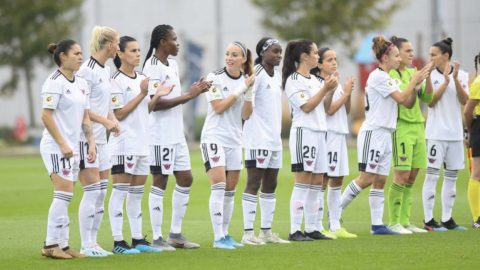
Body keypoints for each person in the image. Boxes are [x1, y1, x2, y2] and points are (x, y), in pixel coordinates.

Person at [341, 35, 429, 235]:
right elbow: (400, 97)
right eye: (396, 55)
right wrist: (413, 81)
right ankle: (334, 214)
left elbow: (406, 102)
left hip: (387, 134)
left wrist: (415, 87)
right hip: (374, 133)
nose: (399, 59)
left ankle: (377, 225)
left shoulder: (389, 78)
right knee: (365, 179)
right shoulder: (378, 76)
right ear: (385, 57)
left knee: (380, 180)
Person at [143, 24, 210, 250]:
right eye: (174, 39)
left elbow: (175, 96)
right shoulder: (151, 66)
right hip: (159, 134)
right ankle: (156, 237)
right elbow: (156, 103)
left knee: (186, 179)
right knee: (160, 181)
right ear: (163, 42)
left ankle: (175, 234)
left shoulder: (171, 63)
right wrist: (189, 96)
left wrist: (194, 91)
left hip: (176, 133)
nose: (177, 43)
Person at [108, 36, 174, 254]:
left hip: (142, 144)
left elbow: (144, 110)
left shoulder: (143, 77)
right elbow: (120, 113)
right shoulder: (115, 80)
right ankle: (118, 242)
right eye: (133, 50)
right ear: (120, 54)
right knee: (119, 192)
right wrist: (142, 94)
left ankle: (137, 240)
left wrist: (156, 97)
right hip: (124, 144)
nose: (138, 54)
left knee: (136, 194)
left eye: (139, 50)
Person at [40, 39, 95, 258]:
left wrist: (90, 143)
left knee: (67, 195)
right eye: (76, 53)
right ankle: (50, 244)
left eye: (81, 53)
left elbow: (85, 116)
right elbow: (46, 115)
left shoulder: (81, 83)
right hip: (56, 147)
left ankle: (63, 245)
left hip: (73, 148)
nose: (81, 57)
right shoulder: (54, 82)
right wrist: (62, 143)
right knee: (62, 194)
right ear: (63, 56)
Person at [201, 41, 255, 249]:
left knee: (231, 190)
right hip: (214, 137)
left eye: (234, 55)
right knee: (219, 186)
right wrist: (242, 88)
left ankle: (225, 234)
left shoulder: (245, 80)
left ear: (243, 59)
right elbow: (219, 108)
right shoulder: (214, 77)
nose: (229, 58)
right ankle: (217, 238)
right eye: (227, 54)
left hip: (234, 140)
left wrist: (249, 92)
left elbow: (246, 115)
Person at [282, 39, 337, 241]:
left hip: (319, 133)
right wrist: (325, 89)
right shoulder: (294, 80)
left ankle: (312, 228)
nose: (317, 56)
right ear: (305, 56)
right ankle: (295, 230)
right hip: (304, 134)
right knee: (302, 182)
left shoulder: (315, 80)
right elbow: (306, 107)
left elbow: (323, 107)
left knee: (317, 182)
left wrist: (329, 90)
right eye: (315, 53)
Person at [76, 26, 121, 256]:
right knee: (92, 191)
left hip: (101, 140)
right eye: (117, 42)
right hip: (86, 138)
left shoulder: (106, 69)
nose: (119, 47)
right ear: (109, 45)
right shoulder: (87, 71)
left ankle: (94, 242)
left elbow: (106, 105)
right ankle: (85, 245)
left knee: (102, 192)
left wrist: (112, 120)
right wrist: (104, 121)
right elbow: (82, 109)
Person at [241, 37, 290, 245]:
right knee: (254, 183)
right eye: (275, 51)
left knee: (272, 184)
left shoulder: (277, 76)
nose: (279, 54)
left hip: (274, 139)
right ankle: (247, 233)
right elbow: (246, 107)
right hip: (257, 139)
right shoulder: (256, 74)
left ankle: (266, 233)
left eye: (280, 51)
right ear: (262, 53)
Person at [386, 36, 434, 234]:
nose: (411, 54)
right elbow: (405, 101)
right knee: (401, 176)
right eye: (407, 51)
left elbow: (428, 98)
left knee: (413, 176)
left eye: (412, 51)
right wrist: (414, 83)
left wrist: (427, 76)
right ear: (396, 54)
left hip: (418, 127)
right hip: (402, 128)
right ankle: (393, 222)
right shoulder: (392, 75)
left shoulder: (414, 72)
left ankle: (405, 221)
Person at [310, 47, 357, 238]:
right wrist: (345, 93)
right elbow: (328, 111)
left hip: (339, 134)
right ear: (319, 64)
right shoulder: (319, 83)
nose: (334, 62)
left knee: (338, 179)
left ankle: (336, 225)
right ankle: (318, 224)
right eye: (329, 59)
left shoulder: (335, 82)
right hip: (327, 135)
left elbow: (345, 111)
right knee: (323, 180)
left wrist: (348, 92)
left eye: (335, 59)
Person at [423, 38, 469, 231]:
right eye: (430, 54)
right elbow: (430, 102)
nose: (430, 58)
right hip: (435, 134)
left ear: (446, 56)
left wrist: (455, 79)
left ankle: (447, 219)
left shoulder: (463, 74)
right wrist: (445, 83)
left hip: (455, 135)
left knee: (452, 177)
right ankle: (428, 220)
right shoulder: (429, 74)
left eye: (434, 55)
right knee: (432, 176)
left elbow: (464, 99)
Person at [464, 51, 480, 228]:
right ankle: (477, 218)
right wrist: (470, 133)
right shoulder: (478, 83)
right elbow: (468, 112)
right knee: (477, 173)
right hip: (479, 127)